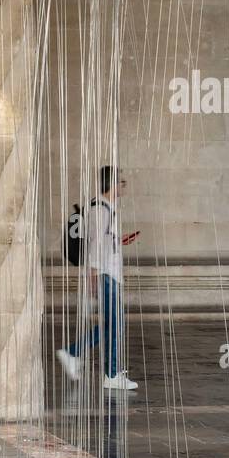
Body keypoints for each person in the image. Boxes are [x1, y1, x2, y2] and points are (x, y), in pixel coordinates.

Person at [57, 166, 139, 391]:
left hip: (109, 273)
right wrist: (93, 276)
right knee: (115, 324)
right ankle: (101, 369)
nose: (124, 185)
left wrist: (117, 241)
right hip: (105, 274)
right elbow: (95, 246)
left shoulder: (106, 209)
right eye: (121, 182)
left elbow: (102, 241)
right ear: (111, 184)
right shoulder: (100, 210)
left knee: (114, 325)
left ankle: (94, 364)